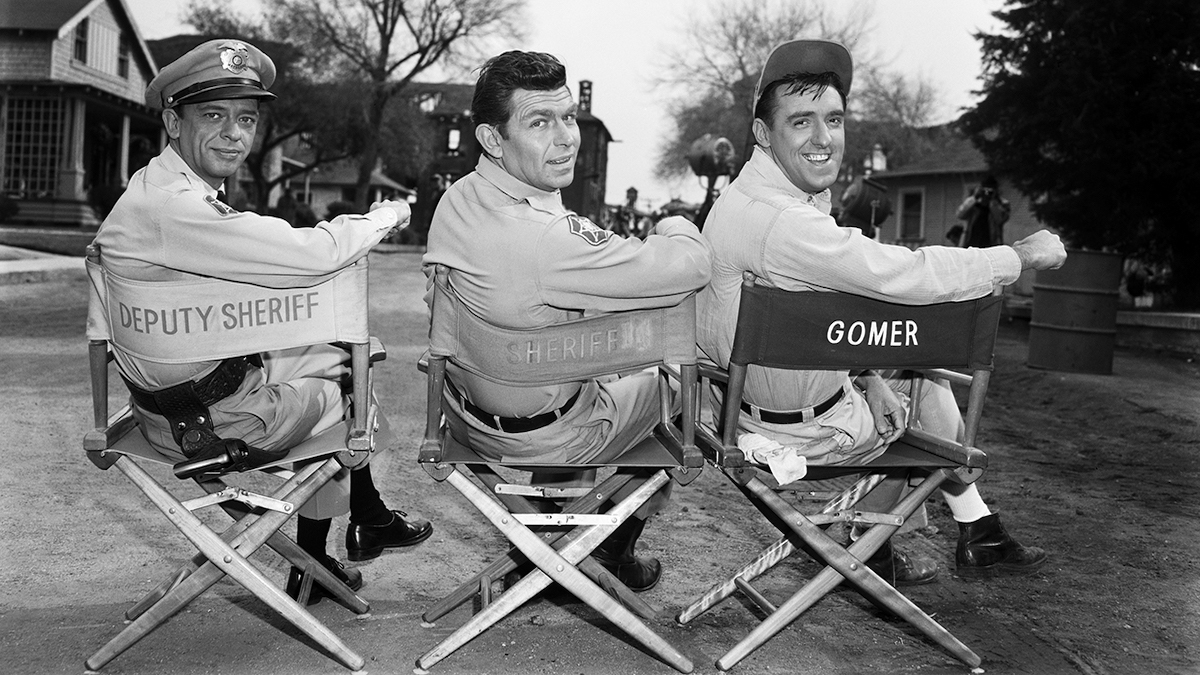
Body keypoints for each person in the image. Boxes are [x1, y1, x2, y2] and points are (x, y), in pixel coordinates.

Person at [696, 39, 1068, 584]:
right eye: (801, 122)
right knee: (930, 380)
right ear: (762, 133)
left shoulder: (747, 201)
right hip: (801, 433)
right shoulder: (782, 222)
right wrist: (1017, 256)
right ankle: (898, 537)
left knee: (907, 374)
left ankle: (958, 532)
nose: (824, 139)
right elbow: (903, 276)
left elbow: (820, 324)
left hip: (745, 400)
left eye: (834, 119)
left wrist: (868, 376)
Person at [92, 39, 432, 605]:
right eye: (214, 116)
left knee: (333, 350)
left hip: (170, 401)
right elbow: (317, 255)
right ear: (173, 122)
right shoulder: (177, 209)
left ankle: (342, 539)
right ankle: (342, 536)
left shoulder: (151, 190)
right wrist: (386, 215)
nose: (233, 133)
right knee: (354, 372)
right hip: (213, 424)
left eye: (245, 118)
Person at [422, 50, 712, 592]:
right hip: (546, 436)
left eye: (567, 117)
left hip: (463, 414)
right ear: (491, 139)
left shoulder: (457, 200)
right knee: (684, 392)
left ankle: (548, 541)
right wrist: (677, 223)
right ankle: (606, 547)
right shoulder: (544, 236)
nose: (566, 137)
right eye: (539, 122)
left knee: (577, 371)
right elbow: (690, 268)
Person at [956, 175, 1011, 248]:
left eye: (990, 190)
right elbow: (960, 214)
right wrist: (974, 198)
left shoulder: (1002, 204)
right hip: (970, 243)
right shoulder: (974, 203)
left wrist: (993, 201)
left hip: (991, 245)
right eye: (985, 190)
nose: (987, 193)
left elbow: (1000, 220)